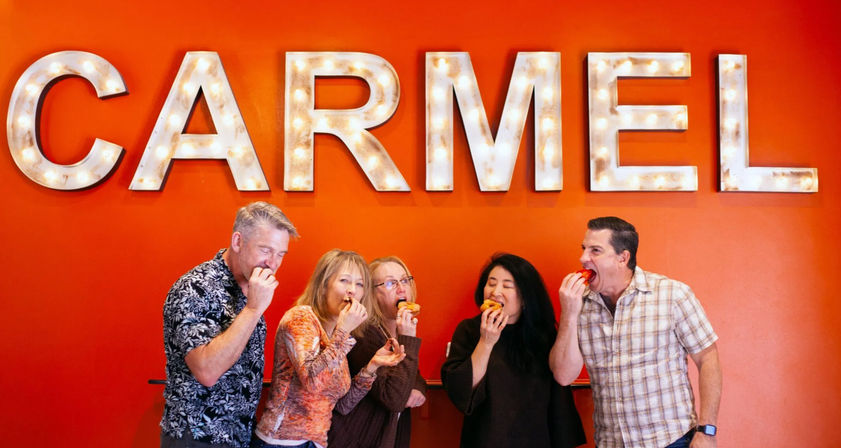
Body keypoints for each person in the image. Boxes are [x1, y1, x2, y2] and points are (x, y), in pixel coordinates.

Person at [550, 217, 722, 448]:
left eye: (595, 251)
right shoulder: (579, 304)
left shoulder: (672, 295)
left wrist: (707, 431)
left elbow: (708, 358)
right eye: (584, 249)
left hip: (673, 440)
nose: (583, 258)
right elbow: (563, 375)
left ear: (623, 257)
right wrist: (570, 313)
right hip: (611, 443)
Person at [161, 202, 298, 448]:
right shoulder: (194, 288)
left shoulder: (248, 290)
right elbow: (207, 372)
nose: (273, 263)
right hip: (196, 438)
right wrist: (253, 310)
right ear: (237, 242)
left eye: (280, 254)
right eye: (266, 250)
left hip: (238, 436)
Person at [254, 249, 407, 448]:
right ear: (324, 285)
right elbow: (312, 382)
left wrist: (372, 366)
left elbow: (342, 406)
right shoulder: (301, 317)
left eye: (360, 284)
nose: (352, 290)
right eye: (344, 280)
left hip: (317, 443)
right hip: (280, 441)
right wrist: (343, 332)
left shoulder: (337, 333)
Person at [441, 253, 586, 448]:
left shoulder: (544, 334)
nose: (495, 292)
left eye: (507, 286)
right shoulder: (469, 330)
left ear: (525, 298)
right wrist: (486, 341)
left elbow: (561, 395)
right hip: (486, 439)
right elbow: (462, 394)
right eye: (491, 283)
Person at [328, 256, 427, 448]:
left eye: (405, 280)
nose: (401, 288)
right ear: (372, 294)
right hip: (354, 439)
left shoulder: (398, 331)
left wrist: (417, 388)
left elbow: (414, 375)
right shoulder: (363, 335)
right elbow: (394, 398)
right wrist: (409, 340)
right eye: (390, 283)